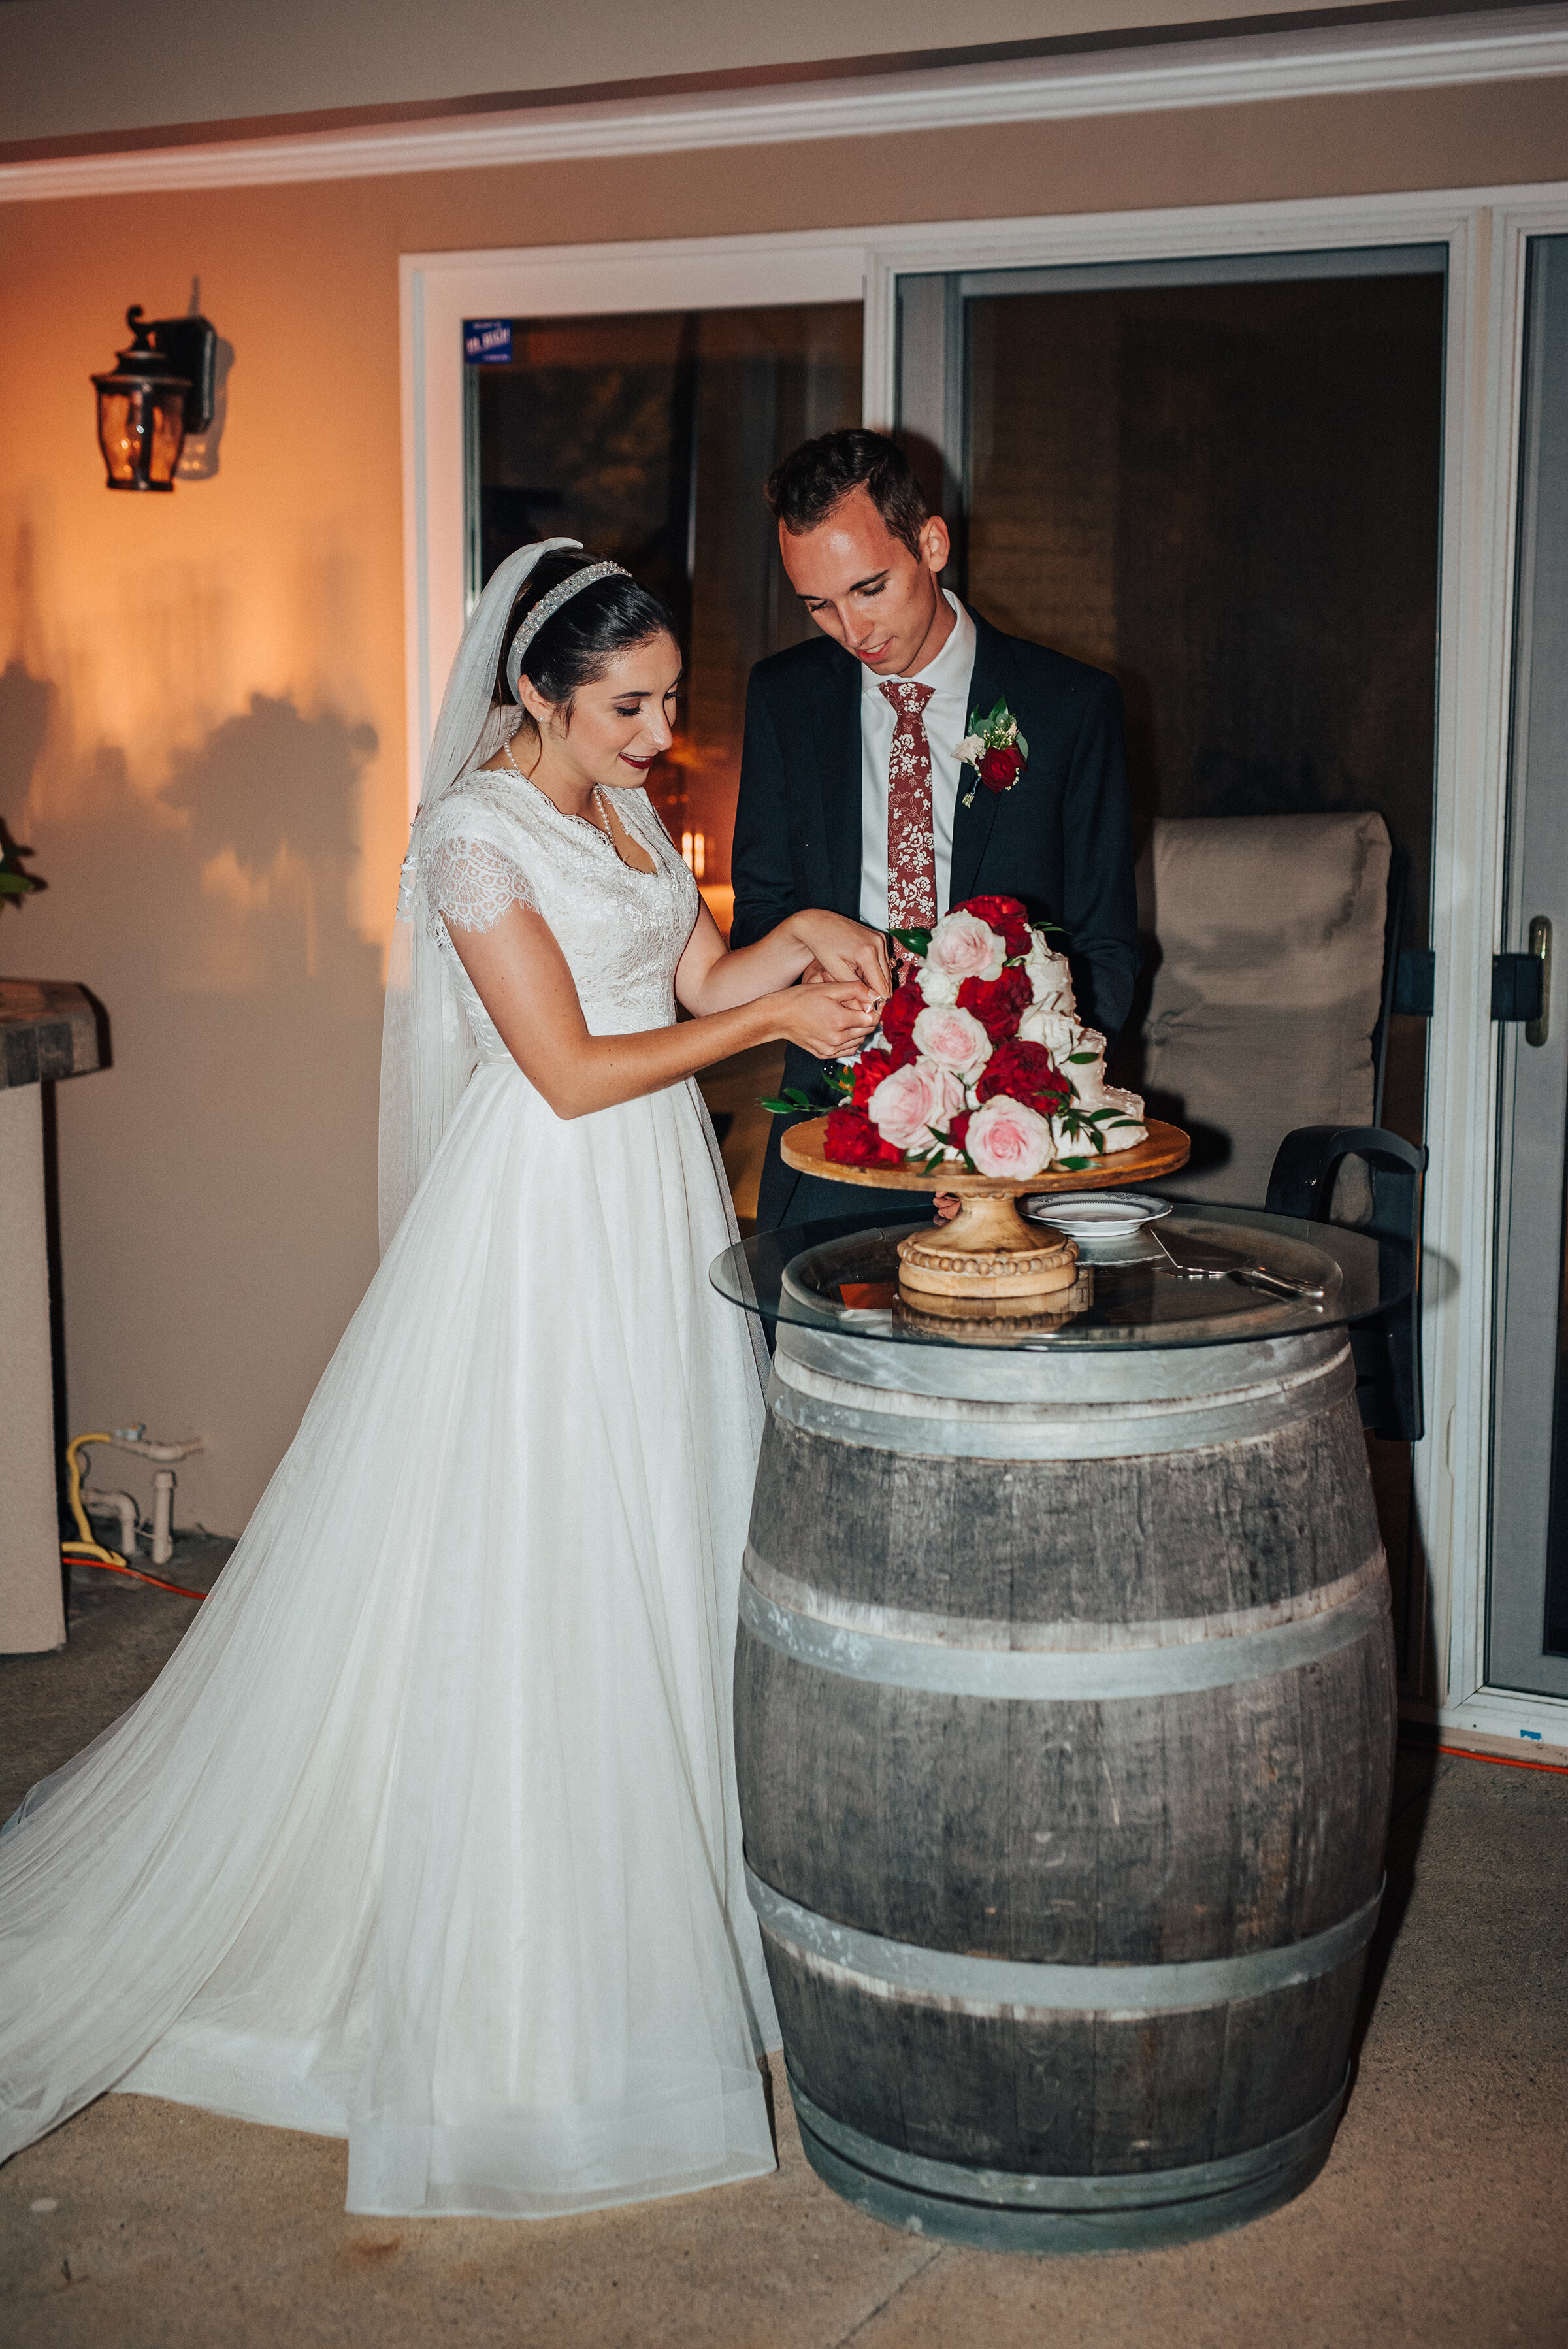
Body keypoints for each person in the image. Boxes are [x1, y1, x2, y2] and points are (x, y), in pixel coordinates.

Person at [0, 540, 890, 2219]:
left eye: (667, 704)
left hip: (650, 1214)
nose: (657, 736)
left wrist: (794, 942)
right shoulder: (470, 837)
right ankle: (519, 1969)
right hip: (547, 1219)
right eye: (626, 707)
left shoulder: (620, 812)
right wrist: (775, 1031)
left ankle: (681, 1901)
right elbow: (563, 1071)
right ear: (535, 695)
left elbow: (682, 975)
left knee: (667, 1533)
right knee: (534, 1557)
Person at [731, 427, 1141, 1233]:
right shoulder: (783, 697)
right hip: (833, 1124)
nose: (853, 632)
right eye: (819, 604)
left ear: (932, 542)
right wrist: (806, 988)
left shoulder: (1069, 706)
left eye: (870, 588)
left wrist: (1024, 1104)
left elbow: (1106, 948)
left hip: (1016, 1136)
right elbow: (763, 914)